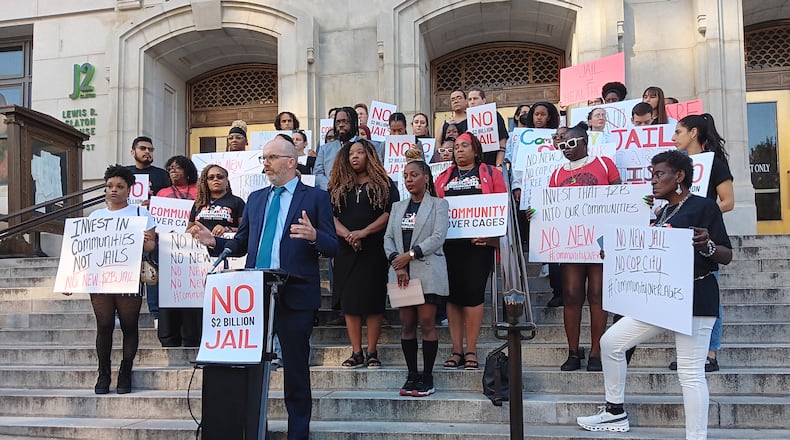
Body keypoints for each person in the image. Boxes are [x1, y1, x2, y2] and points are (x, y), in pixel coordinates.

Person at [190, 137, 338, 440]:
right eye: (264, 157)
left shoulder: (316, 198)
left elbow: (333, 246)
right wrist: (214, 242)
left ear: (291, 161)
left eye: (271, 157)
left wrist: (313, 236)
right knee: (250, 368)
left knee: (296, 368)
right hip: (255, 293)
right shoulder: (256, 198)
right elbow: (242, 243)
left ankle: (298, 433)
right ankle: (252, 428)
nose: (266, 163)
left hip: (295, 293)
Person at [577, 150, 732, 438]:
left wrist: (706, 244)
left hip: (695, 297)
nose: (653, 180)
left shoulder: (703, 207)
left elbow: (726, 255)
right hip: (661, 299)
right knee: (611, 342)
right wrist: (618, 254)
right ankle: (614, 412)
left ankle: (696, 436)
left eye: (659, 174)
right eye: (652, 174)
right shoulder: (661, 212)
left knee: (689, 372)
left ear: (680, 176)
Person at [543, 122, 621, 371]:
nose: (565, 148)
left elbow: (620, 197)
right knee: (572, 295)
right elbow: (550, 208)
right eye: (562, 145)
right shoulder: (556, 174)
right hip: (572, 243)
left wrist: (640, 205)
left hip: (600, 241)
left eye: (571, 143)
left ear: (584, 142)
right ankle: (573, 351)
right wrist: (535, 213)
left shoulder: (605, 164)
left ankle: (597, 350)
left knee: (597, 294)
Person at [79, 165, 156, 394]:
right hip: (101, 278)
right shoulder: (95, 216)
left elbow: (152, 245)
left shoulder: (141, 214)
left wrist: (145, 242)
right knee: (103, 326)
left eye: (120, 186)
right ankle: (103, 373)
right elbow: (83, 249)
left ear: (129, 189)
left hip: (128, 276)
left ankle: (125, 371)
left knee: (129, 325)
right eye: (109, 186)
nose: (114, 190)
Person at [435, 132, 506, 371]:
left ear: (476, 150)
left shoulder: (491, 174)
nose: (459, 150)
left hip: (479, 245)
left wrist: (492, 235)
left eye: (465, 146)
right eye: (456, 147)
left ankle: (472, 349)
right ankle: (456, 350)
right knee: (453, 297)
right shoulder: (444, 177)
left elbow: (501, 207)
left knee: (474, 295)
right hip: (450, 246)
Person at [669, 113, 734, 372]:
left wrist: (703, 217)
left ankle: (710, 353)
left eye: (678, 132)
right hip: (677, 237)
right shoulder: (676, 164)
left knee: (709, 293)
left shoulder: (715, 163)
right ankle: (690, 352)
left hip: (705, 236)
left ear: (693, 133)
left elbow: (727, 201)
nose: (673, 138)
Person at [328, 138, 399, 369]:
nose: (355, 157)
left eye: (360, 152)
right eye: (351, 154)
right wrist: (349, 235)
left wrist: (364, 233)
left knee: (372, 301)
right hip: (346, 250)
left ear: (370, 156)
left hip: (373, 249)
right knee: (350, 302)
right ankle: (356, 352)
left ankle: (372, 352)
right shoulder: (338, 186)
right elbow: (330, 216)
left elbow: (390, 213)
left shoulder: (384, 184)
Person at [385, 150, 449, 397]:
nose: (409, 179)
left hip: (427, 272)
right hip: (401, 273)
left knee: (426, 323)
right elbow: (389, 238)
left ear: (426, 177)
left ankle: (428, 376)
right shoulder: (397, 206)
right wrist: (397, 263)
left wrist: (410, 255)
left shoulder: (439, 205)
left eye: (414, 175)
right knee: (407, 324)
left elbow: (438, 237)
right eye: (405, 176)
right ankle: (412, 374)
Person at [156, 155, 200, 347]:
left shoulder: (198, 190)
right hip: (169, 249)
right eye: (171, 168)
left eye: (178, 168)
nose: (173, 171)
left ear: (188, 171)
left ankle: (190, 334)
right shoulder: (162, 192)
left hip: (194, 250)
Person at [125, 136, 169, 325]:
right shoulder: (124, 173)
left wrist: (156, 203)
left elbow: (171, 200)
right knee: (128, 270)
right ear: (133, 151)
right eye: (143, 148)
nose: (147, 152)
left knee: (151, 269)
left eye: (151, 149)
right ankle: (124, 312)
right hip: (127, 228)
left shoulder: (161, 175)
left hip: (153, 228)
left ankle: (156, 313)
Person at [314, 106, 385, 191]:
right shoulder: (324, 149)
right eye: (338, 122)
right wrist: (333, 188)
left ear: (354, 123)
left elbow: (377, 172)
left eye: (345, 121)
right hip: (332, 196)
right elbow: (318, 174)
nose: (341, 125)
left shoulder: (371, 146)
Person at [189, 164, 245, 236]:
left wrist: (228, 229)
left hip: (225, 245)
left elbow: (245, 230)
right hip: (201, 245)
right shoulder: (199, 203)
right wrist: (192, 229)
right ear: (206, 182)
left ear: (227, 181)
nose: (215, 179)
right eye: (211, 177)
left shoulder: (237, 202)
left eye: (220, 177)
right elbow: (187, 230)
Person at [466, 87, 507, 166]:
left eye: (475, 98)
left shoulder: (494, 115)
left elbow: (502, 142)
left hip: (492, 164)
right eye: (469, 99)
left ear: (484, 100)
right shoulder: (466, 119)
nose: (472, 102)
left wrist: (499, 165)